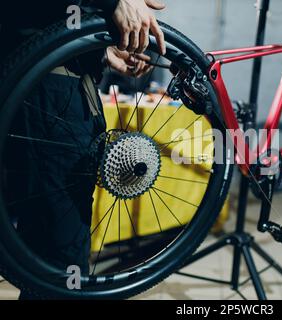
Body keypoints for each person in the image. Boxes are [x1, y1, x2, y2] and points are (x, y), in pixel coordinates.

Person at [0, 0, 167, 299]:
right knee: (60, 259)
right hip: (45, 88)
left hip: (42, 78)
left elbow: (43, 17)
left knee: (45, 248)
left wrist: (97, 52)